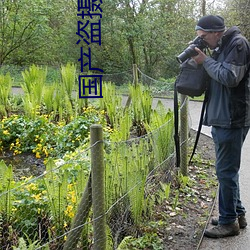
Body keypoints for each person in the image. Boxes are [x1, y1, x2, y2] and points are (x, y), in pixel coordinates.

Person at [192, 15, 250, 238]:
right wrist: (202, 59)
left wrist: (205, 61)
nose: (203, 41)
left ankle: (228, 223)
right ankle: (237, 214)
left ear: (216, 32)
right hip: (222, 117)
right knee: (227, 171)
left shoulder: (238, 44)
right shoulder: (221, 46)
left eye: (204, 37)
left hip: (232, 118)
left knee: (225, 171)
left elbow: (229, 77)